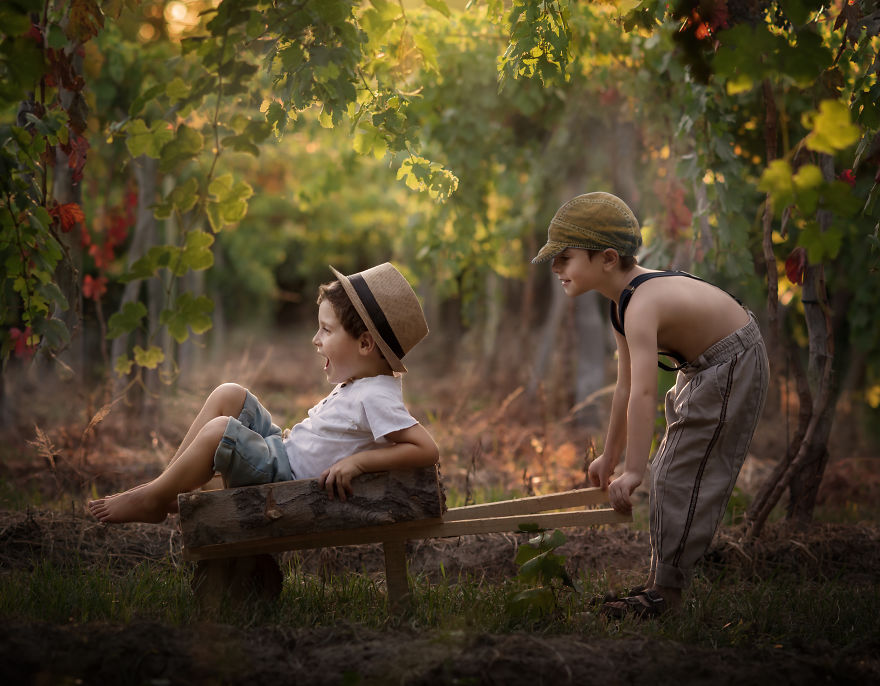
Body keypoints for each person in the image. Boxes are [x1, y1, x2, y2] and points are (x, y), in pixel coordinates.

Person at [532, 192, 769, 618]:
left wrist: (635, 470)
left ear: (606, 258)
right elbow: (624, 388)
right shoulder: (622, 305)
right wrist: (610, 455)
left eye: (565, 257)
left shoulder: (641, 303)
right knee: (670, 471)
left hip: (732, 360)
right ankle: (659, 585)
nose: (555, 268)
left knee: (672, 474)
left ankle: (667, 595)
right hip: (705, 365)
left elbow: (644, 392)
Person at [88, 262, 439, 524]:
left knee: (219, 431)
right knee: (229, 394)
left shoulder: (376, 395)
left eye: (326, 330)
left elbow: (426, 449)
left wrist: (359, 462)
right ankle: (163, 488)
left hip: (284, 478)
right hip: (280, 454)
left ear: (365, 343)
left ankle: (155, 497)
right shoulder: (361, 386)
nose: (316, 340)